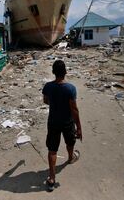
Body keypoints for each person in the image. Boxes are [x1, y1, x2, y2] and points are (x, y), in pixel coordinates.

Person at [42, 60, 82, 191]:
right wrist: (79, 128)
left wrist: (55, 104)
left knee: (52, 150)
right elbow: (74, 109)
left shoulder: (48, 87)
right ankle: (70, 158)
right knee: (70, 142)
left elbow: (46, 101)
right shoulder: (70, 88)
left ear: (53, 72)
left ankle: (52, 178)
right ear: (65, 72)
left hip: (53, 121)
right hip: (67, 122)